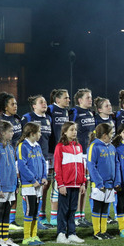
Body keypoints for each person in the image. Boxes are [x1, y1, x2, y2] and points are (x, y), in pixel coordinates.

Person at [21, 94, 53, 230]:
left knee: (42, 188)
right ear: (34, 106)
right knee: (30, 191)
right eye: (41, 102)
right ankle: (27, 220)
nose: (44, 104)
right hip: (31, 158)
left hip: (43, 157)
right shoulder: (27, 118)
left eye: (45, 101)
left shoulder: (48, 119)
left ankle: (38, 219)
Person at [53, 121, 86, 244]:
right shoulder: (60, 147)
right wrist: (60, 184)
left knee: (73, 209)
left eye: (75, 130)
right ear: (65, 132)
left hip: (76, 184)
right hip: (65, 185)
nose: (74, 132)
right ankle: (61, 234)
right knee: (63, 210)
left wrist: (83, 182)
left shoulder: (78, 146)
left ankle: (71, 233)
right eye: (71, 130)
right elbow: (57, 167)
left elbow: (81, 166)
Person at [17, 122, 48, 245]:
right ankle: (26, 237)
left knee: (36, 211)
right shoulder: (23, 146)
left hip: (38, 184)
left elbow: (42, 162)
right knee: (29, 211)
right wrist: (32, 180)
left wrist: (44, 177)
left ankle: (34, 235)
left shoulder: (37, 146)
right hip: (29, 185)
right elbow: (22, 166)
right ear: (32, 133)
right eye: (39, 132)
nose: (40, 134)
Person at [87, 123, 120, 240]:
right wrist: (99, 182)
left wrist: (117, 180)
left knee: (106, 208)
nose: (112, 136)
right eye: (111, 133)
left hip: (110, 184)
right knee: (98, 207)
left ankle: (104, 231)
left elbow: (116, 164)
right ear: (105, 135)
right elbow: (91, 166)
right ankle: (97, 232)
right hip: (99, 185)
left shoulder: (111, 147)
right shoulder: (94, 146)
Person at [0, 92, 22, 229]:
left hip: (17, 158)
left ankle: (11, 219)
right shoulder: (0, 121)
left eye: (16, 103)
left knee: (15, 188)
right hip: (6, 158)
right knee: (5, 188)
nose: (15, 106)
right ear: (6, 107)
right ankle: (1, 217)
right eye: (12, 104)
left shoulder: (17, 119)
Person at [70, 88, 95, 227]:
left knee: (85, 185)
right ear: (80, 100)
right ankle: (75, 216)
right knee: (79, 184)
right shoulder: (74, 112)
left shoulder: (90, 113)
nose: (90, 100)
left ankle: (81, 215)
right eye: (87, 97)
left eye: (90, 97)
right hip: (78, 153)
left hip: (88, 152)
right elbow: (69, 129)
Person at [46, 89, 71, 227]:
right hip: (51, 152)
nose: (68, 100)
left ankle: (54, 216)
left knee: (58, 183)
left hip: (63, 151)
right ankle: (42, 214)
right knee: (46, 184)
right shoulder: (50, 109)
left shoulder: (66, 112)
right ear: (57, 99)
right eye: (66, 98)